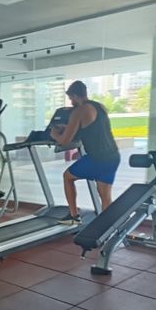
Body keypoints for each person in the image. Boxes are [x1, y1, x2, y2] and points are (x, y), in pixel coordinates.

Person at [50, 80, 121, 225]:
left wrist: (54, 133)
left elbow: (65, 140)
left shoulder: (79, 111)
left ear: (75, 96)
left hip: (97, 158)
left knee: (67, 177)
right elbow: (93, 128)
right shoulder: (100, 107)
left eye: (71, 98)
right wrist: (70, 126)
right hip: (113, 156)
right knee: (105, 196)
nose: (71, 102)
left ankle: (73, 216)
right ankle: (108, 227)